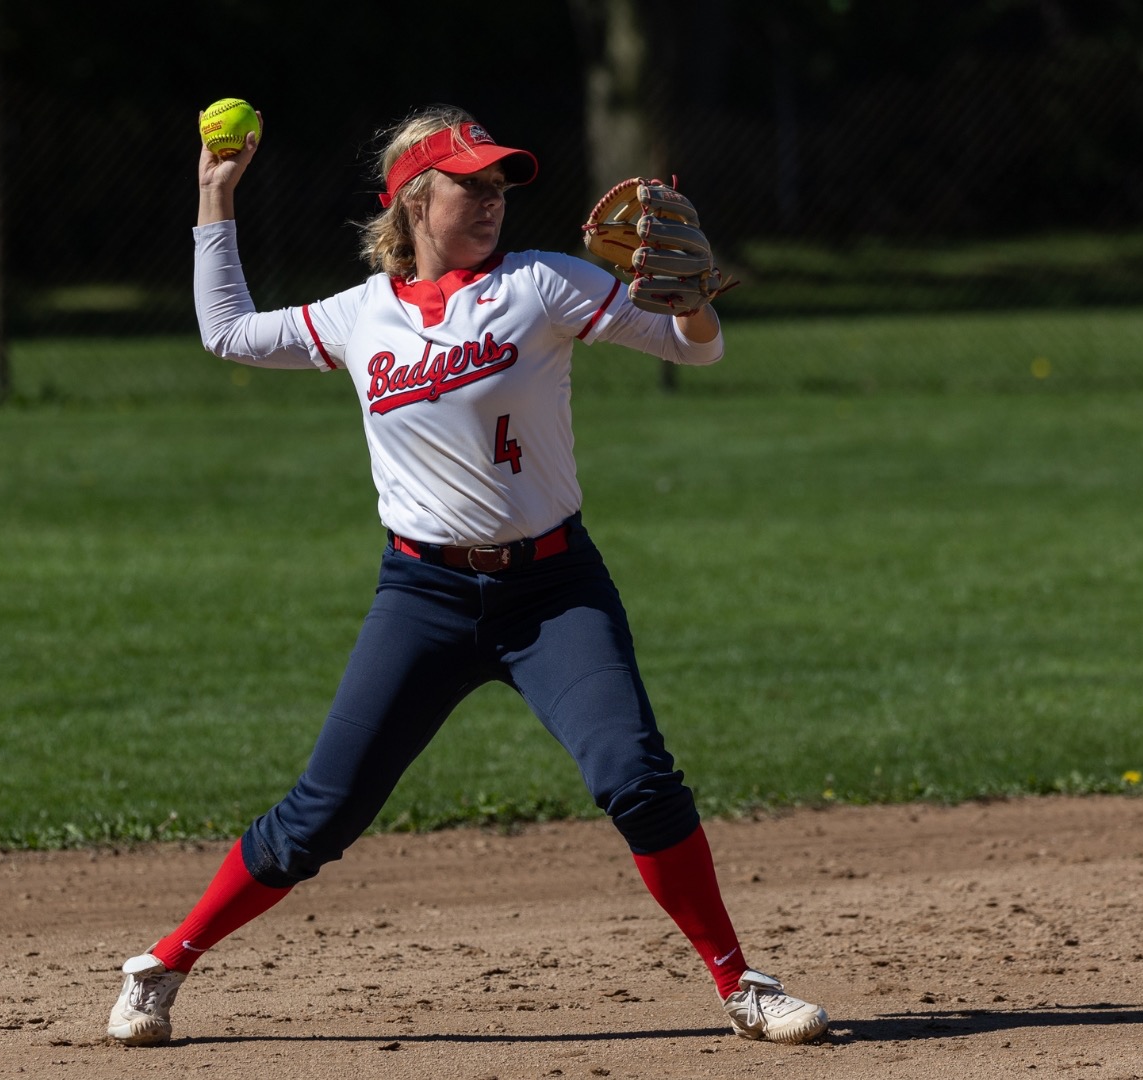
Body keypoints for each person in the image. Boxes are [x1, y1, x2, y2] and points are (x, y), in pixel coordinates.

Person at [106, 105, 828, 1047]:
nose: (490, 200)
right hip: (424, 598)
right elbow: (228, 335)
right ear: (412, 198)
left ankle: (740, 985)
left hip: (555, 590)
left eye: (499, 184)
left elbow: (697, 347)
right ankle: (165, 963)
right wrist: (215, 194)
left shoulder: (544, 285)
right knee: (318, 819)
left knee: (638, 779)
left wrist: (691, 302)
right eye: (469, 183)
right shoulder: (361, 314)